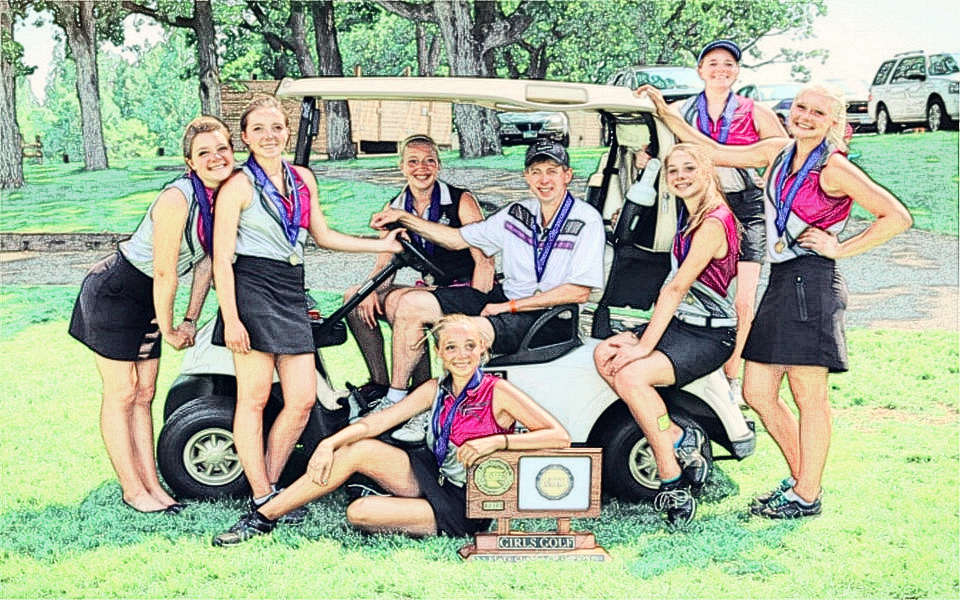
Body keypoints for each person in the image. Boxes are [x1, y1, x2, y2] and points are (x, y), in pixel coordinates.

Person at [639, 82, 912, 518]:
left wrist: (840, 247)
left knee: (809, 396)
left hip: (814, 282)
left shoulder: (834, 167)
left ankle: (806, 495)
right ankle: (802, 479)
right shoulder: (777, 151)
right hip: (782, 280)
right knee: (757, 390)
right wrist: (665, 111)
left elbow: (897, 216)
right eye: (801, 107)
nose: (805, 117)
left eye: (818, 113)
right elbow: (712, 150)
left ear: (833, 122)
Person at [212, 314, 570, 545]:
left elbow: (559, 436)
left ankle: (402, 507)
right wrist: (329, 444)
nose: (461, 355)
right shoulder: (435, 388)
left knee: (360, 513)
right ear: (440, 353)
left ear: (483, 350)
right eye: (451, 347)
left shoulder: (498, 391)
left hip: (467, 500)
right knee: (356, 449)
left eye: (469, 347)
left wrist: (497, 442)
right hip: (432, 471)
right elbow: (378, 422)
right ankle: (262, 517)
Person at [211, 96, 403, 522]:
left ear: (287, 132)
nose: (269, 136)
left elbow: (323, 236)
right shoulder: (238, 186)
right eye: (258, 129)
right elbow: (222, 259)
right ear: (245, 137)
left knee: (300, 399)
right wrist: (233, 319)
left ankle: (271, 487)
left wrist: (381, 245)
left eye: (276, 127)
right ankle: (261, 493)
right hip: (252, 289)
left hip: (290, 287)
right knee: (254, 398)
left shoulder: (302, 179)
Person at [68, 116, 235, 513]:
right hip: (117, 292)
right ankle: (133, 490)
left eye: (222, 149)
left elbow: (206, 263)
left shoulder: (222, 197)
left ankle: (152, 486)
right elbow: (164, 273)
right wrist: (169, 328)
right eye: (204, 153)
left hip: (148, 296)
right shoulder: (177, 198)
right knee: (122, 392)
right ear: (189, 162)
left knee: (144, 394)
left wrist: (190, 319)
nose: (215, 157)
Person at [367, 140, 605, 400]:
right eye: (536, 172)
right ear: (526, 176)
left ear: (567, 175)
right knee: (410, 304)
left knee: (459, 334)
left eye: (552, 171)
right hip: (506, 301)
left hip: (549, 318)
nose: (544, 179)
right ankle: (397, 397)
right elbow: (457, 239)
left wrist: (509, 307)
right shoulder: (517, 213)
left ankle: (447, 405)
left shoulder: (586, 219)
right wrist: (404, 218)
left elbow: (578, 292)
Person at [594, 143, 740, 526]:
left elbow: (676, 287)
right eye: (673, 171)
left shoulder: (713, 221)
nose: (680, 177)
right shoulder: (688, 213)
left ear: (707, 170)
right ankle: (673, 433)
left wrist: (644, 345)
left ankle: (671, 479)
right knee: (605, 355)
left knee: (631, 374)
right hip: (683, 324)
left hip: (710, 335)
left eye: (689, 168)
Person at [342, 134, 494, 443]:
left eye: (429, 161)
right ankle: (381, 385)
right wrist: (369, 290)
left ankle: (401, 397)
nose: (421, 168)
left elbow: (484, 260)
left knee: (404, 302)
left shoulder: (459, 201)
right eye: (413, 161)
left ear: (438, 165)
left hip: (465, 288)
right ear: (402, 167)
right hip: (434, 290)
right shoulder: (396, 206)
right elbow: (385, 261)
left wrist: (479, 308)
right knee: (355, 298)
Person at [671, 40, 787, 404]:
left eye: (728, 63)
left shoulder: (755, 111)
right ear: (700, 70)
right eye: (712, 63)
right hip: (702, 208)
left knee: (744, 300)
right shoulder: (682, 111)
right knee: (697, 290)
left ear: (737, 71)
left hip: (747, 207)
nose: (720, 69)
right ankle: (698, 367)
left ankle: (731, 376)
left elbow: (785, 154)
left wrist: (768, 176)